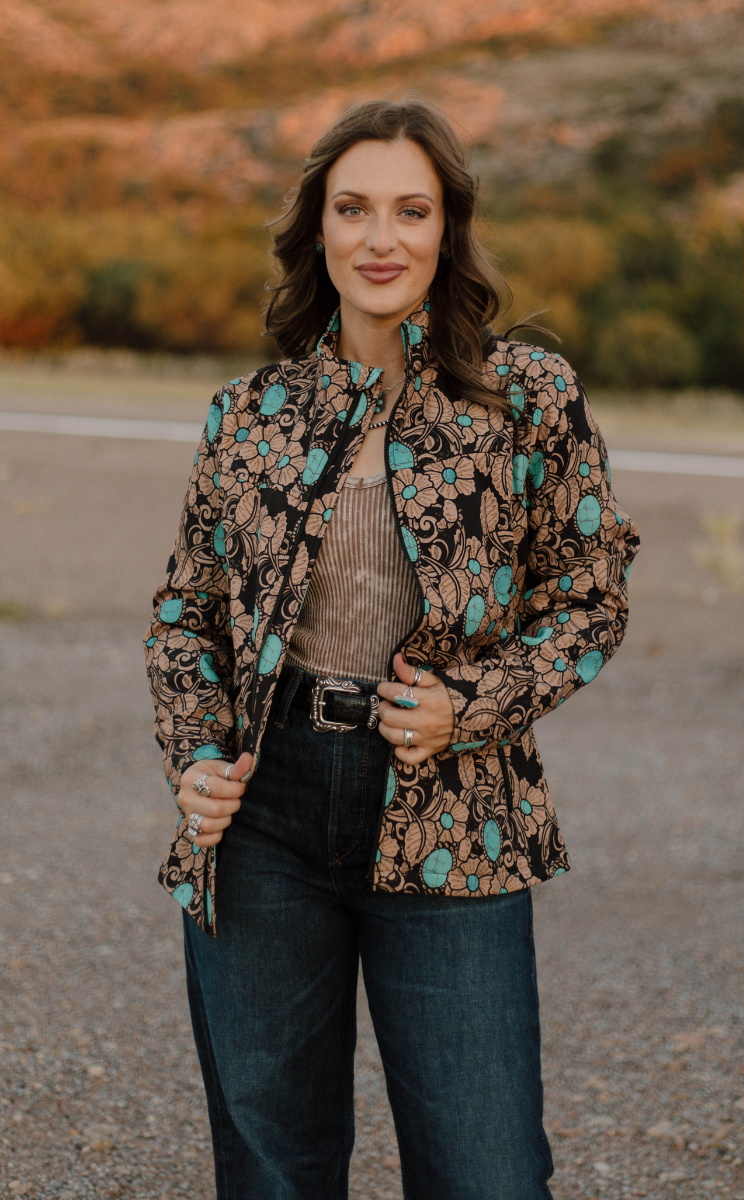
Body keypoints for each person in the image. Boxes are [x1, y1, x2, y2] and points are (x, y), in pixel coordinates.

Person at [144, 97, 639, 1200]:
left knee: (486, 1174)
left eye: (411, 211)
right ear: (316, 230)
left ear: (446, 229)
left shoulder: (528, 397)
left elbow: (591, 592)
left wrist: (473, 703)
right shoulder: (249, 414)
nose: (381, 239)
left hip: (452, 806)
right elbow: (187, 612)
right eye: (352, 208)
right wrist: (194, 755)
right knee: (273, 1171)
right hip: (262, 812)